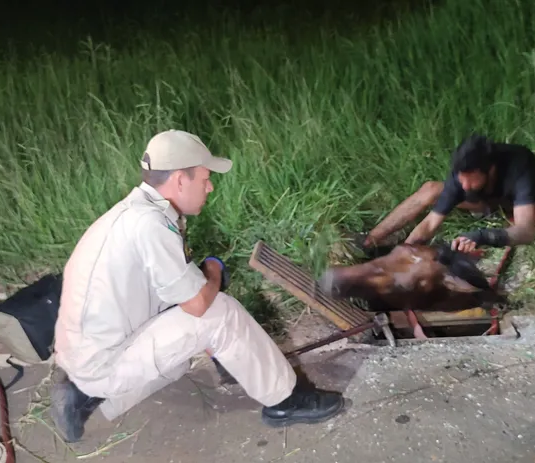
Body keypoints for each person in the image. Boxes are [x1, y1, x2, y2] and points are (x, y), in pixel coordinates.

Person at [49, 129, 346, 442]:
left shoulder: (131, 213)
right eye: (204, 178)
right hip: (99, 363)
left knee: (183, 349)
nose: (210, 186)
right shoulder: (151, 225)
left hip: (83, 353)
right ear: (179, 180)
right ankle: (287, 401)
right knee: (219, 314)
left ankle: (81, 393)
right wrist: (214, 271)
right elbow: (199, 306)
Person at [359, 134, 535, 286]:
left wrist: (482, 236)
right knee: (431, 189)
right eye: (462, 181)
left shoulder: (519, 166)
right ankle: (370, 241)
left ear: (490, 170)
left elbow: (526, 232)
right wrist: (403, 257)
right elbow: (429, 225)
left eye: (471, 181)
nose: (465, 187)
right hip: (490, 203)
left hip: (533, 207)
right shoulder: (462, 175)